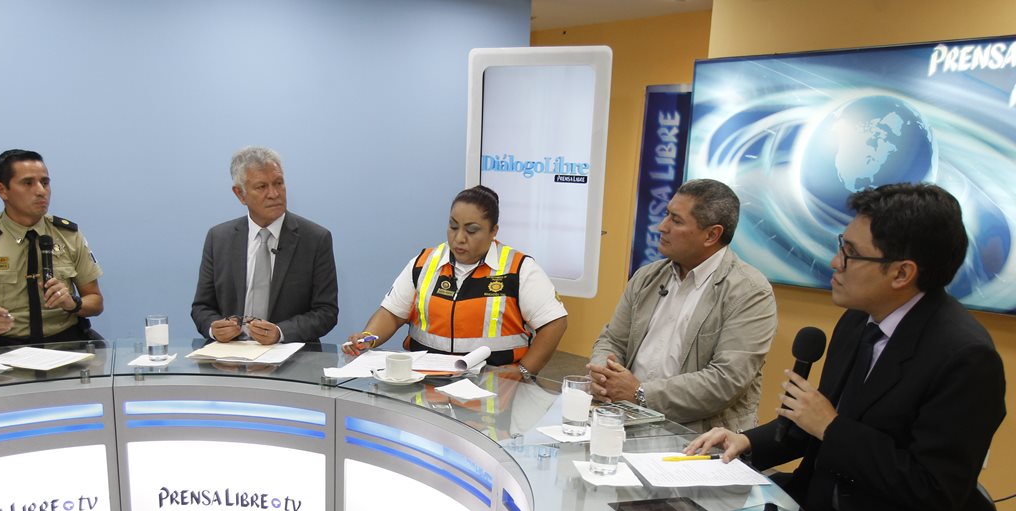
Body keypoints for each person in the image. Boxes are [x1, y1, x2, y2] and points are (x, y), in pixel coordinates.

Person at [687, 183, 1006, 511]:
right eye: (841, 247)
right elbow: (809, 426)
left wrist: (831, 427)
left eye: (851, 254)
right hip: (819, 498)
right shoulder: (860, 320)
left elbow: (933, 490)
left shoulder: (965, 358)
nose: (835, 263)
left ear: (902, 272)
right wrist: (749, 442)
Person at [589, 178, 776, 432]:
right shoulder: (647, 276)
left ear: (712, 234)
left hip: (701, 438)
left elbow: (726, 381)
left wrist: (641, 393)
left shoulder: (750, 291)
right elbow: (612, 339)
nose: (661, 226)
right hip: (627, 419)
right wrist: (604, 375)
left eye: (676, 221)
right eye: (666, 215)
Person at [342, 185, 567, 378]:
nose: (459, 238)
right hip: (424, 386)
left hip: (494, 390)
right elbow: (391, 313)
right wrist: (368, 338)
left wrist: (524, 372)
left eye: (472, 230)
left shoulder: (519, 269)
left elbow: (554, 323)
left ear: (493, 232)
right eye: (453, 226)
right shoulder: (424, 263)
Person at [0, 149, 104, 346]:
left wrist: (73, 303)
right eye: (28, 183)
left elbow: (96, 302)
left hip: (66, 346)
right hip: (4, 350)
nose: (41, 191)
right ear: (2, 190)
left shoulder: (69, 236)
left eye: (45, 183)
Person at [191, 146, 338, 344]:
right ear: (240, 194)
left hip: (291, 357)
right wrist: (213, 328)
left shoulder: (315, 239)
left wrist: (280, 332)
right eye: (262, 187)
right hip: (229, 356)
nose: (274, 194)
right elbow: (202, 307)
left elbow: (326, 312)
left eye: (279, 183)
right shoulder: (218, 238)